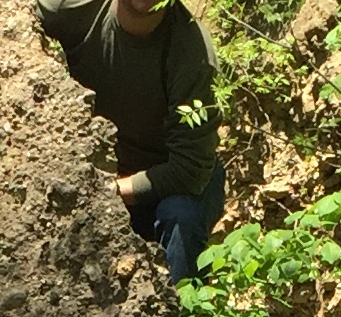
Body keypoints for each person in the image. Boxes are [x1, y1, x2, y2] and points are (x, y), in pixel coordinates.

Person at [33, 0, 224, 293]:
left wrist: (107, 193)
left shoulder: (192, 53)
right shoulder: (72, 7)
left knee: (181, 215)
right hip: (99, 169)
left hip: (173, 182)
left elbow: (190, 169)